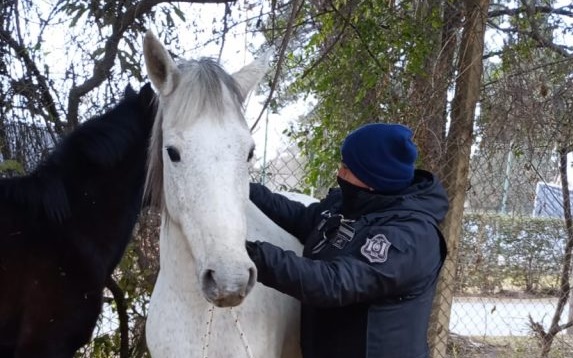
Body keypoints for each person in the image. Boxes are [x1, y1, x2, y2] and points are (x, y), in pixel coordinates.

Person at [246, 122, 449, 358]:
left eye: (348, 167)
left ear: (374, 176)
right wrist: (243, 188)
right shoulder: (353, 203)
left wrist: (249, 254)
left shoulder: (410, 236)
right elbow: (305, 219)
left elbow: (333, 283)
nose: (339, 172)